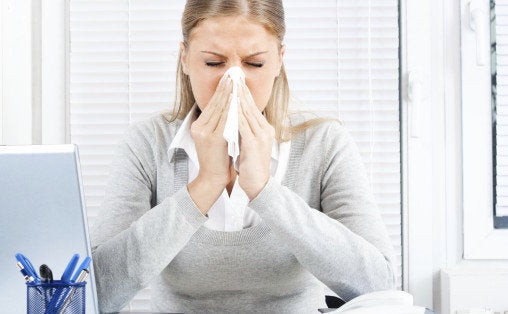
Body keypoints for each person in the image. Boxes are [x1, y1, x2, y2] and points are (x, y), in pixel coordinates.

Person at [89, 0, 396, 312]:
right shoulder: (146, 144)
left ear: (279, 61)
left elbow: (379, 285)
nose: (233, 83)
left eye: (254, 64)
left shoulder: (324, 143)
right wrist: (205, 185)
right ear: (185, 59)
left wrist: (266, 191)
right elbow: (96, 292)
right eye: (213, 63)